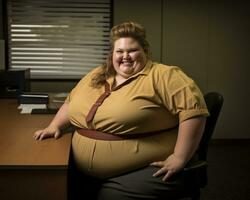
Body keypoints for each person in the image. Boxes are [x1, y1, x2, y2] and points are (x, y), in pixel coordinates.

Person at [34, 21, 209, 200]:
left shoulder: (165, 75)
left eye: (132, 50)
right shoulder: (96, 74)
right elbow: (71, 102)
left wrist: (179, 157)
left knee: (109, 197)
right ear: (112, 54)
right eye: (120, 51)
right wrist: (54, 125)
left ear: (145, 51)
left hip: (144, 168)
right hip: (84, 169)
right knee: (50, 186)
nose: (125, 56)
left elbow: (194, 113)